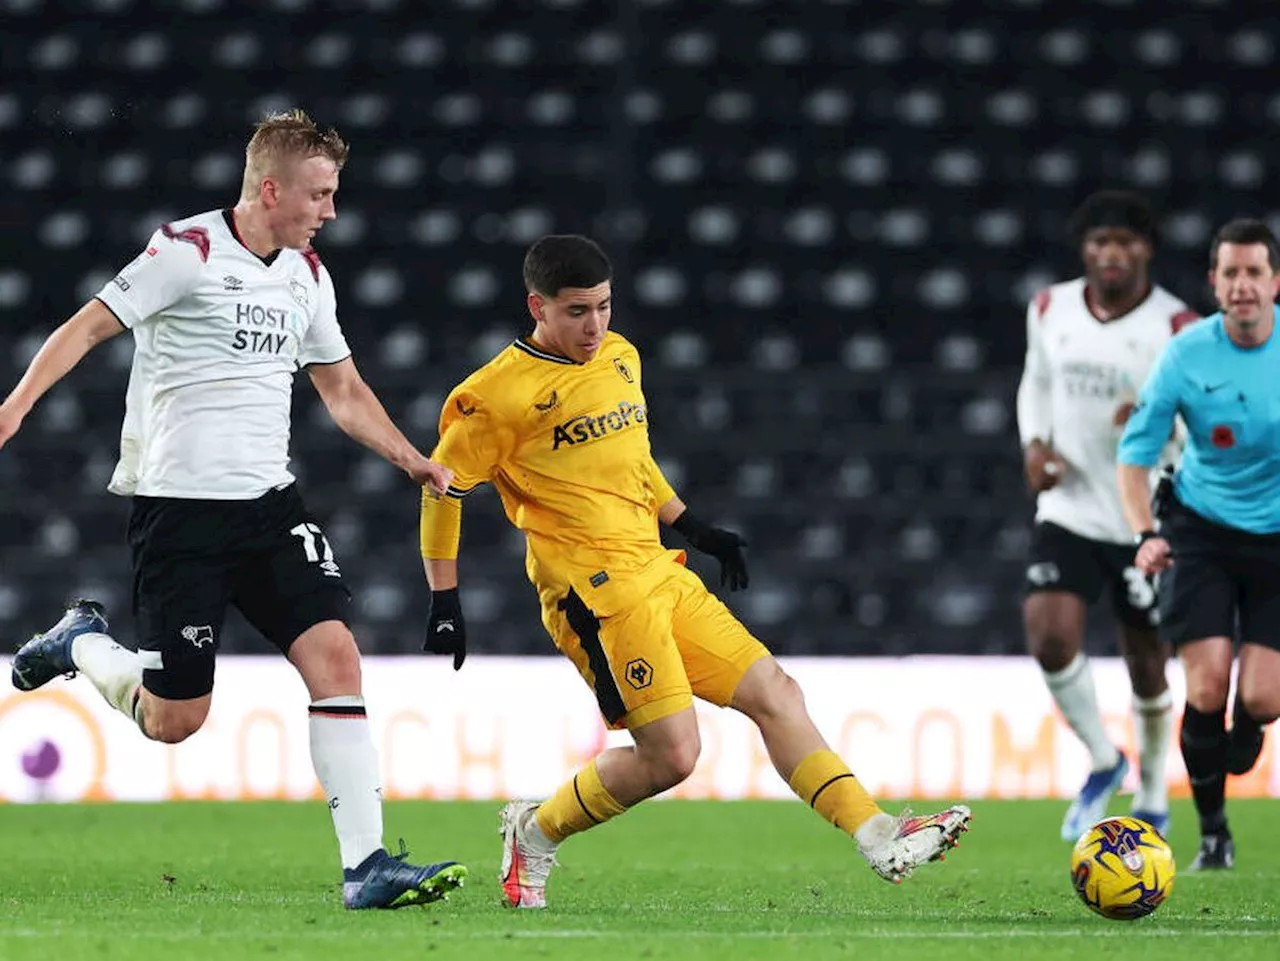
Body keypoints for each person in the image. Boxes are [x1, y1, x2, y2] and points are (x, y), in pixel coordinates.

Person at [418, 234, 971, 909]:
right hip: (594, 594)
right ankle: (534, 831)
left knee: (776, 689)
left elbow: (631, 457)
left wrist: (691, 524)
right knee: (673, 756)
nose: (595, 327)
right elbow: (443, 488)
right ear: (537, 305)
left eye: (604, 306)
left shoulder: (621, 358)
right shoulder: (495, 396)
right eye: (576, 312)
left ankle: (879, 831)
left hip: (657, 568)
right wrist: (444, 596)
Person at [1, 110, 467, 908]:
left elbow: (344, 391)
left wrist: (413, 461)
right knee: (175, 719)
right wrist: (12, 408)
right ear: (272, 187)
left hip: (268, 508)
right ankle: (81, 645)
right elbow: (85, 329)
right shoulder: (185, 253)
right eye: (320, 195)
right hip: (180, 515)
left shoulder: (307, 278)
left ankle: (366, 868)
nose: (331, 211)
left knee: (336, 657)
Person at [1016, 190, 1196, 842]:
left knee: (1147, 659)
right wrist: (1034, 445)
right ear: (1085, 251)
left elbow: (1201, 421)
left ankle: (1151, 794)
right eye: (1098, 243)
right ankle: (1102, 757)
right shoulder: (1050, 308)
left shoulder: (1178, 328)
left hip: (1140, 515)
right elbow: (1035, 381)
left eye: (1123, 243)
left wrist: (1155, 424)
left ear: (1145, 248)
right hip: (1068, 506)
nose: (1110, 254)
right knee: (1048, 632)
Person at [1119, 217, 1280, 871]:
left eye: (1255, 272)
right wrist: (1145, 534)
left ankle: (1244, 734)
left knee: (1264, 700)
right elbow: (1135, 453)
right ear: (1214, 284)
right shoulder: (1186, 354)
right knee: (1207, 683)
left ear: (1276, 282)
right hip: (1203, 531)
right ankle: (1214, 833)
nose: (1243, 285)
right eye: (1230, 273)